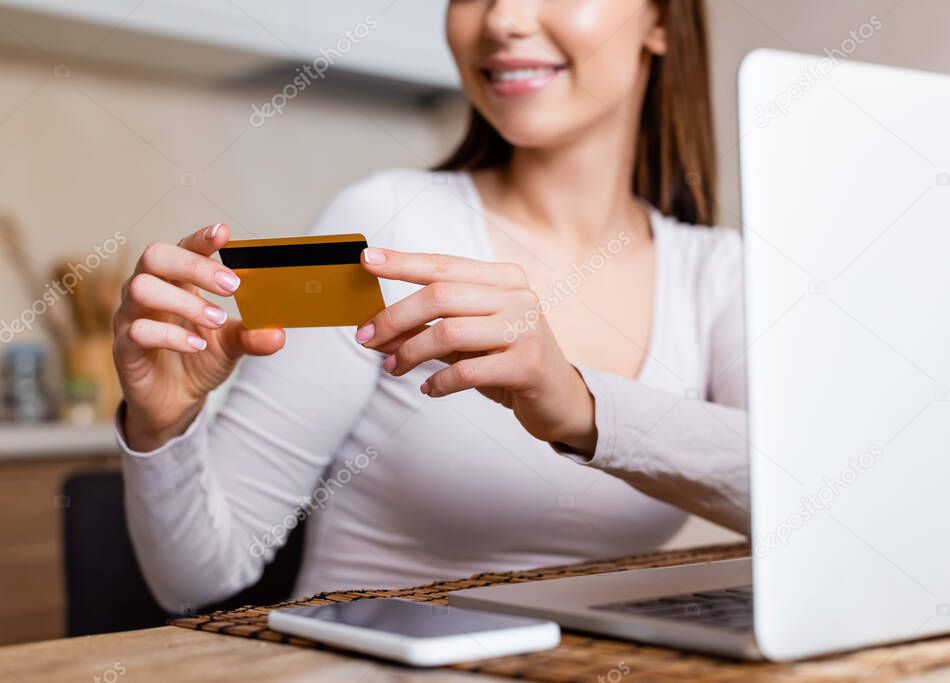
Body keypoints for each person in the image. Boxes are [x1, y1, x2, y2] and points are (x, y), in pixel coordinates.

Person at [113, 0, 749, 611]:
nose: (502, 18)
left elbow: (799, 497)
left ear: (661, 19)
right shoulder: (384, 223)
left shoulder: (715, 271)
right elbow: (197, 579)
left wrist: (581, 409)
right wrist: (162, 428)